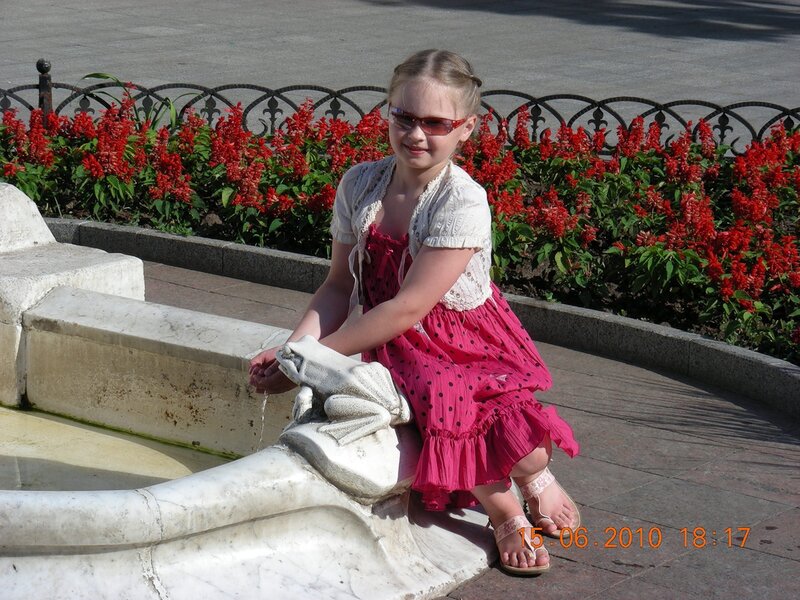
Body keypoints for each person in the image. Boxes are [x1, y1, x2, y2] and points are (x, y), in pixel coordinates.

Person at [249, 49, 580, 576]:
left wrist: (311, 361)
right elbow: (338, 285)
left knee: (483, 416)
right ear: (388, 111)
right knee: (440, 396)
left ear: (466, 128)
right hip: (390, 333)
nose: (416, 134)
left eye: (436, 123)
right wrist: (294, 351)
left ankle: (528, 482)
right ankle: (508, 503)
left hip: (458, 333)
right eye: (404, 117)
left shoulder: (461, 201)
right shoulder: (361, 184)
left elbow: (410, 306)